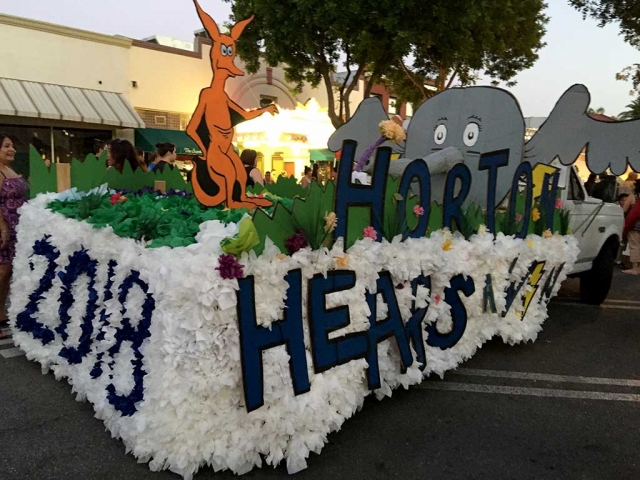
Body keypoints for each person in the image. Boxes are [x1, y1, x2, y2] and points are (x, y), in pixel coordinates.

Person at [0, 134, 29, 334]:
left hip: (17, 227)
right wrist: (3, 228)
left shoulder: (10, 170)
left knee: (8, 272)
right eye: (6, 146)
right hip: (3, 227)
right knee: (1, 271)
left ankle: (1, 313)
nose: (12, 149)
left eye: (13, 145)